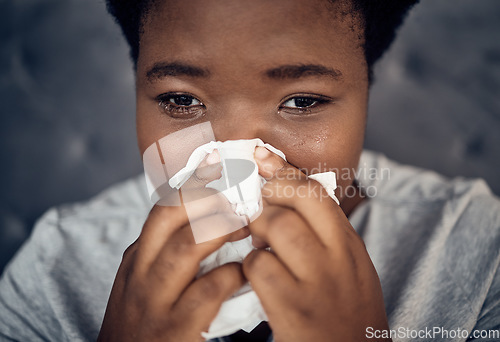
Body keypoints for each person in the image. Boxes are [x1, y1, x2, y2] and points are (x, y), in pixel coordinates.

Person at [1, 0, 499, 341]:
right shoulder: (55, 265)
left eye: (302, 101)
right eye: (181, 100)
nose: (234, 155)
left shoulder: (477, 248)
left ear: (367, 93)